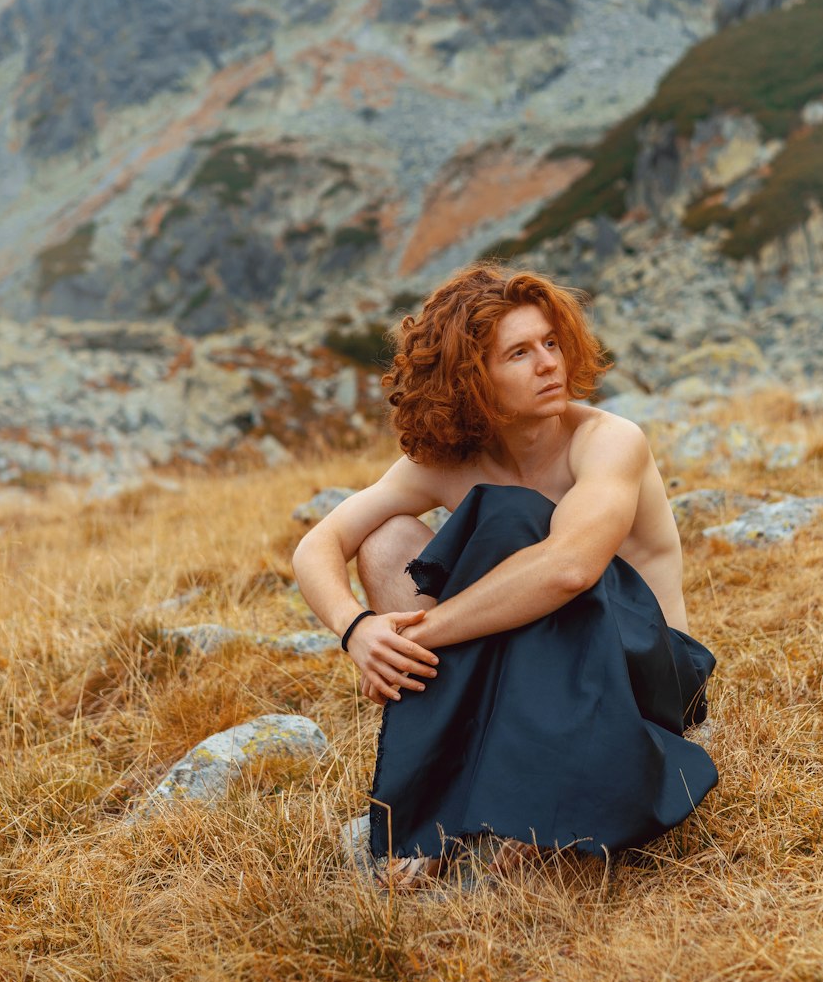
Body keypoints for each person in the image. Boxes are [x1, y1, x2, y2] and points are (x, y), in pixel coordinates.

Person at [292, 262, 717, 886]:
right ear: (471, 378)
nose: (550, 364)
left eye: (551, 343)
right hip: (538, 666)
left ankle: (518, 821)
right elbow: (320, 542)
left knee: (514, 520)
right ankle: (441, 806)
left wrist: (414, 635)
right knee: (384, 544)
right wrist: (355, 628)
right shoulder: (448, 461)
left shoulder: (607, 440)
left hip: (646, 676)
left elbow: (568, 569)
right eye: (519, 353)